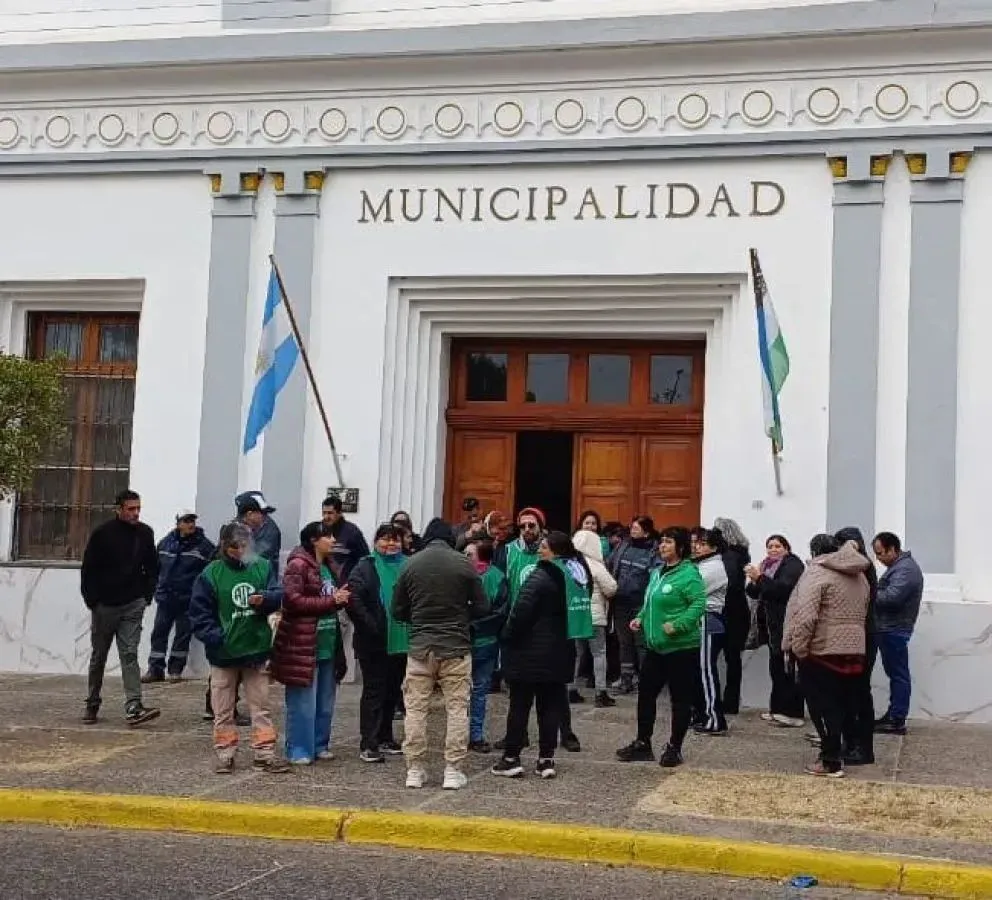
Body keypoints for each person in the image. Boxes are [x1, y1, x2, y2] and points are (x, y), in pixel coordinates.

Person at [393, 518, 489, 790]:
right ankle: (452, 769)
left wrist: (419, 618)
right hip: (456, 646)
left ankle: (414, 769)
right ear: (451, 538)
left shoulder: (410, 564)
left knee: (415, 710)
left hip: (420, 648)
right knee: (457, 709)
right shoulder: (463, 564)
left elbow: (397, 610)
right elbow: (483, 607)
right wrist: (460, 614)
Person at [189, 523, 288, 774]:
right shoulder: (211, 574)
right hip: (224, 654)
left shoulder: (262, 567)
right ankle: (225, 753)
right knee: (222, 709)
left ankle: (264, 753)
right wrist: (217, 638)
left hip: (255, 649)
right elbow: (199, 614)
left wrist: (265, 599)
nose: (240, 550)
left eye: (244, 545)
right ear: (224, 545)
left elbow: (279, 594)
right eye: (235, 546)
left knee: (261, 707)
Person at [616, 526, 706, 768]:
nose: (662, 546)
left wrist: (678, 625)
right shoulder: (657, 572)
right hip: (655, 647)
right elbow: (650, 600)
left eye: (668, 542)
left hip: (681, 648)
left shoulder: (689, 574)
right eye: (662, 542)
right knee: (646, 695)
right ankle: (642, 743)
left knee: (680, 699)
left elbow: (698, 604)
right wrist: (642, 617)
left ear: (681, 547)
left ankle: (674, 748)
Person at [492, 531, 578, 780]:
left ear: (555, 551)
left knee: (519, 706)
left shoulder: (539, 575)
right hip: (559, 652)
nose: (540, 549)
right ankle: (546, 759)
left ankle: (511, 758)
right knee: (550, 707)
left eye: (544, 545)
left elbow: (520, 612)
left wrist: (506, 636)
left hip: (528, 653)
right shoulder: (574, 577)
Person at [783, 534, 870, 778]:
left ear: (813, 552)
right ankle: (842, 750)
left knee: (822, 706)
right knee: (843, 704)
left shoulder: (817, 572)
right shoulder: (859, 573)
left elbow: (806, 616)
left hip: (822, 649)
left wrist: (799, 648)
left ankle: (830, 759)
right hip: (853, 647)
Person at [271, 522, 351, 766]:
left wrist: (342, 599)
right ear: (314, 540)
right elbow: (293, 601)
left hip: (327, 639)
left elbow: (330, 598)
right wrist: (330, 601)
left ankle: (319, 744)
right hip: (303, 642)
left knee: (325, 700)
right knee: (303, 701)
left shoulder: (329, 566)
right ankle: (298, 748)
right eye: (327, 536)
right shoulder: (298, 565)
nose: (333, 539)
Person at [80, 489, 161, 726]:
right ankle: (92, 702)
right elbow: (89, 569)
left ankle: (134, 705)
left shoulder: (145, 534)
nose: (135, 513)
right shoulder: (102, 534)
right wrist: (93, 600)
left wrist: (146, 595)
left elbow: (153, 566)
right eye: (131, 509)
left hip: (132, 604)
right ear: (119, 509)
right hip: (105, 605)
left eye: (138, 508)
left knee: (129, 652)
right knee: (99, 656)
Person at [347, 523, 409, 763]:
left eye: (395, 540)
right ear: (375, 542)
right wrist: (372, 626)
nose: (390, 544)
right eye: (385, 539)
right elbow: (354, 601)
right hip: (374, 641)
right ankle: (368, 742)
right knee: (374, 691)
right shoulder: (365, 566)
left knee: (392, 691)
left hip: (402, 639)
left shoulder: (408, 565)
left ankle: (385, 737)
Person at [143, 510, 215, 684]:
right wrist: (154, 590)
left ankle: (175, 670)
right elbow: (155, 569)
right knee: (159, 633)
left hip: (188, 600)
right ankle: (155, 669)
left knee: (182, 636)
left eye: (192, 520)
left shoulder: (205, 547)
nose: (191, 524)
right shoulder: (165, 544)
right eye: (186, 520)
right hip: (166, 598)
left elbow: (210, 574)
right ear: (178, 523)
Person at [745, 534, 806, 727]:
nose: (773, 550)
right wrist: (755, 580)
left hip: (786, 623)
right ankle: (777, 709)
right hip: (771, 627)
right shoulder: (766, 565)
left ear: (786, 548)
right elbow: (753, 591)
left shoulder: (792, 565)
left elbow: (783, 589)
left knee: (788, 669)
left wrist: (760, 578)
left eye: (777, 546)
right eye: (769, 546)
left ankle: (793, 713)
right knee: (776, 669)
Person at [872, 531, 925, 736]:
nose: (878, 558)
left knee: (898, 675)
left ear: (893, 549)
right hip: (889, 628)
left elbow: (892, 598)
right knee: (896, 674)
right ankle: (893, 715)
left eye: (880, 553)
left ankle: (897, 719)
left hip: (894, 629)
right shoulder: (898, 567)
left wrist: (869, 590)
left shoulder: (905, 570)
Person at [835, 527, 878, 765]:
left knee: (860, 693)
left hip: (865, 635)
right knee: (848, 694)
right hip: (856, 633)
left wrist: (849, 547)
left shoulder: (862, 564)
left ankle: (864, 748)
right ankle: (851, 742)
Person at [465, 539, 510, 752]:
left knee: (479, 691)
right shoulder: (461, 575)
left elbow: (500, 612)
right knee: (459, 692)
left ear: (481, 556)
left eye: (469, 554)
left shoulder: (498, 578)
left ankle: (475, 735)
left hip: (484, 643)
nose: (465, 558)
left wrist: (473, 626)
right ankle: (459, 734)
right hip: (463, 642)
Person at [608, 516, 657, 693]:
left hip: (640, 605)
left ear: (646, 531)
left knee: (641, 643)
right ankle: (626, 679)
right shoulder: (623, 546)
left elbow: (655, 575)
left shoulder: (654, 550)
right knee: (624, 642)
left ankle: (646, 680)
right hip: (620, 602)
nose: (632, 531)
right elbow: (611, 563)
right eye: (632, 528)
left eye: (636, 528)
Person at [571, 529, 618, 707]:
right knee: (599, 653)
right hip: (595, 617)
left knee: (576, 654)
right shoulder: (596, 565)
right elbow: (611, 588)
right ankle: (600, 693)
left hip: (576, 615)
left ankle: (571, 689)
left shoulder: (571, 564)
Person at [691, 527, 731, 735]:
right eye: (696, 543)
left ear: (714, 547)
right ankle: (701, 712)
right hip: (697, 621)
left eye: (703, 544)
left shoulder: (714, 567)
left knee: (706, 670)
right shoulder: (700, 564)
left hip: (708, 619)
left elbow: (692, 591)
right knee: (697, 671)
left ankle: (715, 719)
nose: (697, 547)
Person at [713, 517, 751, 715]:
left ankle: (717, 700)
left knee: (712, 657)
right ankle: (731, 701)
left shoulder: (727, 556)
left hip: (726, 611)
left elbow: (729, 583)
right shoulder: (743, 554)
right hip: (739, 611)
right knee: (733, 659)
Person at [322, 494, 371, 582]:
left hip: (347, 585)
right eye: (324, 513)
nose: (326, 517)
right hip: (323, 584)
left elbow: (365, 560)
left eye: (330, 513)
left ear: (340, 513)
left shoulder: (352, 532)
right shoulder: (318, 530)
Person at [235, 491, 282, 576]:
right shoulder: (234, 528)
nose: (265, 517)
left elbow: (254, 560)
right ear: (249, 514)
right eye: (262, 513)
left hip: (261, 583)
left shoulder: (269, 531)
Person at [504, 507, 546, 601]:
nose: (526, 529)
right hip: (516, 612)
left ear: (540, 526)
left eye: (531, 525)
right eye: (522, 526)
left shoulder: (551, 550)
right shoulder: (509, 550)